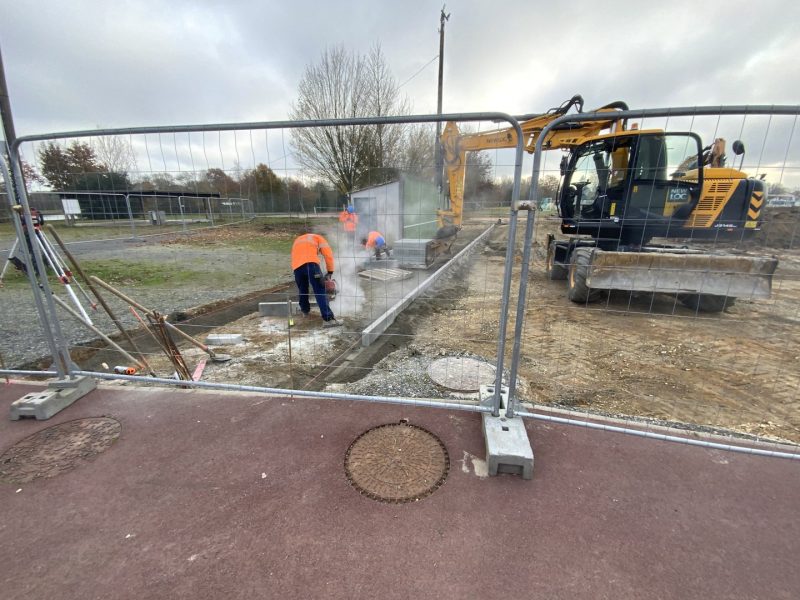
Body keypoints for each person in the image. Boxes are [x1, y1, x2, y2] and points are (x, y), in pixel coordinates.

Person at [291, 231, 341, 327]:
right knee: (320, 290)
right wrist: (330, 271)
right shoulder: (318, 237)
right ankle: (328, 319)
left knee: (303, 290)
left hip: (297, 268)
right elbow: (328, 255)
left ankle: (305, 312)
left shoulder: (297, 240)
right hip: (312, 265)